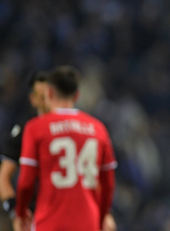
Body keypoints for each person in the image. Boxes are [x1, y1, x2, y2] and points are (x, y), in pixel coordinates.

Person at [13, 66, 117, 231]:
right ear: (76, 95)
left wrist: (20, 214)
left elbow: (26, 182)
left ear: (49, 94)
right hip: (88, 222)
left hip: (49, 223)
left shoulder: (35, 128)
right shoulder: (98, 129)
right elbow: (108, 184)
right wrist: (102, 217)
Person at [0, 71, 48, 231]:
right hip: (36, 216)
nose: (46, 100)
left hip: (68, 210)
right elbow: (3, 177)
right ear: (32, 99)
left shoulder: (72, 129)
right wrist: (16, 212)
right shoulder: (26, 131)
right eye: (41, 96)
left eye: (48, 95)